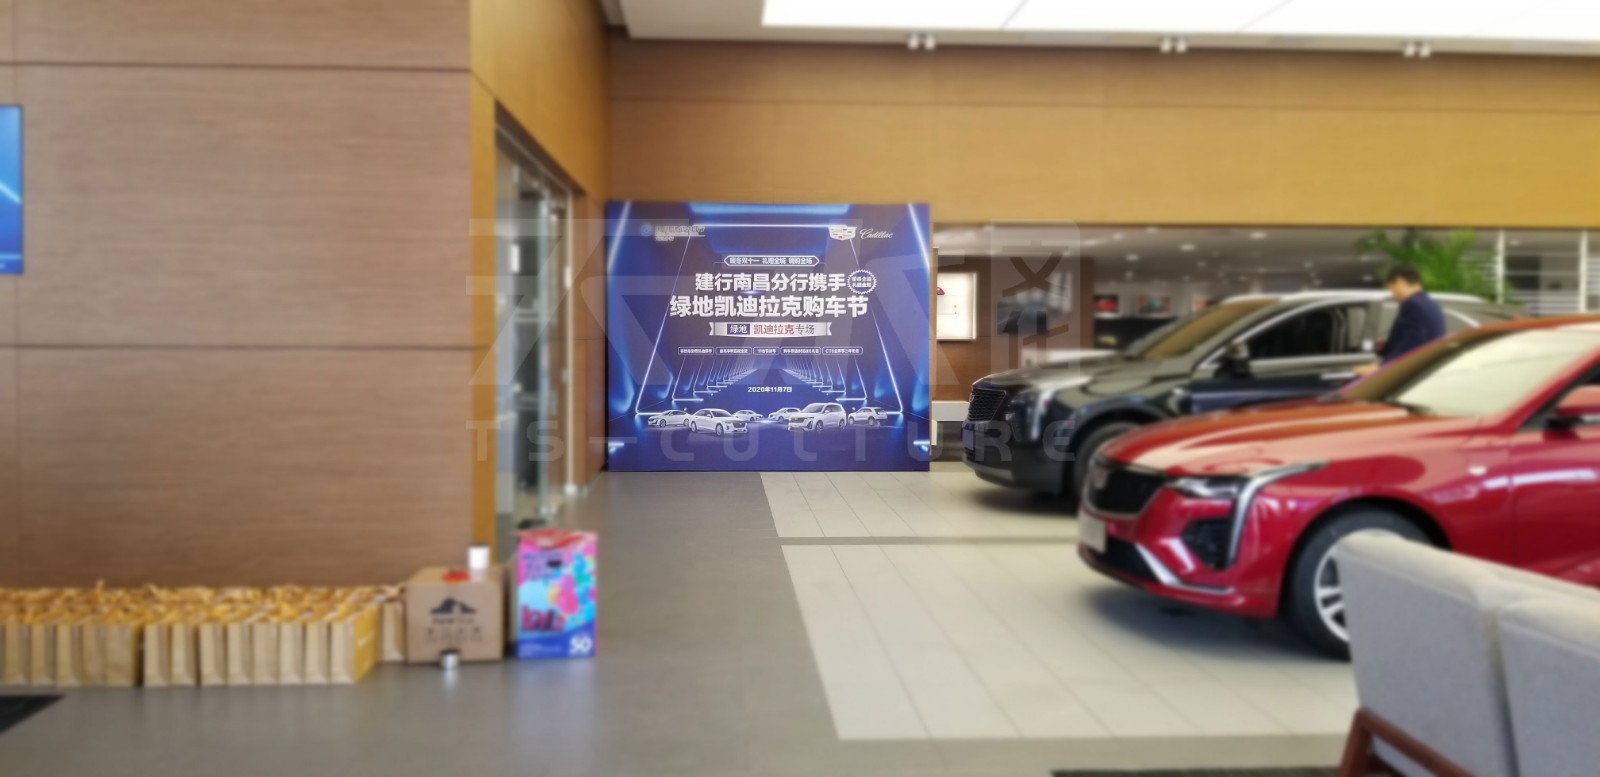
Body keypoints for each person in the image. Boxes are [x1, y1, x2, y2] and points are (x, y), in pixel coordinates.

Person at [1352, 263, 1446, 377]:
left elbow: (1411, 347)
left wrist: (1380, 369)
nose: (1393, 294)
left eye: (1392, 288)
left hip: (1410, 376)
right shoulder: (1433, 305)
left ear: (1400, 281)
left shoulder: (1412, 305)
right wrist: (1386, 346)